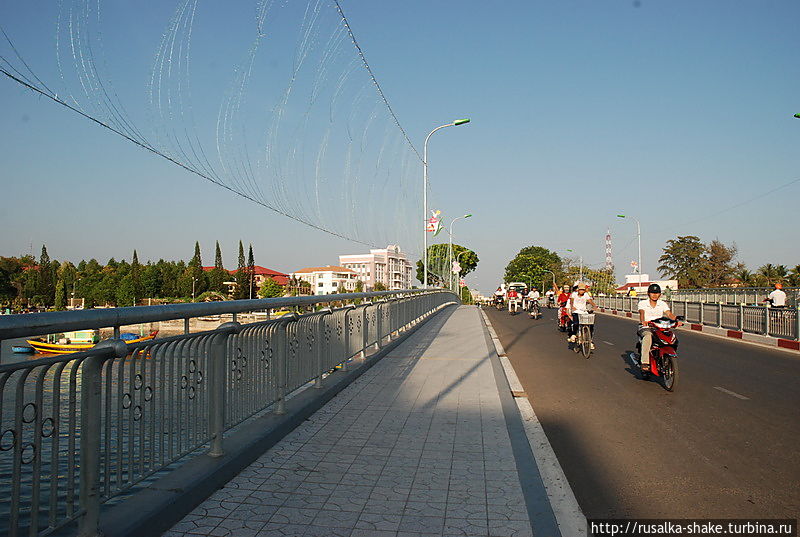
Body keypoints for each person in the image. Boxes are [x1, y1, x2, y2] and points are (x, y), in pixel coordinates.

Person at [637, 283, 679, 369]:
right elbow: (642, 313)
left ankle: (667, 358)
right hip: (646, 327)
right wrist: (643, 321)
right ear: (648, 293)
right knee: (648, 337)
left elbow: (669, 314)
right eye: (652, 293)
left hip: (660, 327)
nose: (654, 295)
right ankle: (645, 362)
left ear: (660, 294)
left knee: (672, 338)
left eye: (657, 293)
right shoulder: (643, 303)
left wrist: (676, 321)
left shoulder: (662, 304)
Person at [568, 284, 597, 348]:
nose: (582, 291)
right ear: (578, 290)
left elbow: (590, 301)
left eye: (583, 290)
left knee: (591, 325)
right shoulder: (574, 294)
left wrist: (594, 306)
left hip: (584, 312)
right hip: (576, 311)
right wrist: (572, 306)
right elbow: (571, 301)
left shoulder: (586, 295)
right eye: (580, 290)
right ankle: (573, 334)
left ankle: (590, 340)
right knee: (576, 323)